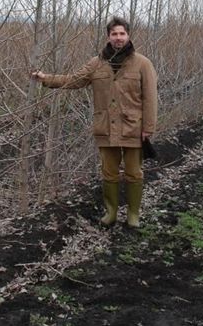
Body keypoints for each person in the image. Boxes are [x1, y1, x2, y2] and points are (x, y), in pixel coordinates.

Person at [31, 17, 158, 229]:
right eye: (114, 34)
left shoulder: (143, 64)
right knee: (109, 172)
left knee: (134, 173)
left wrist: (148, 128)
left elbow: (151, 98)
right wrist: (45, 79)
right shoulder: (96, 63)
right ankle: (111, 213)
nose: (118, 38)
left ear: (128, 35)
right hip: (105, 128)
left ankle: (133, 215)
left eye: (122, 33)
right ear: (108, 36)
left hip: (133, 128)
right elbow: (73, 80)